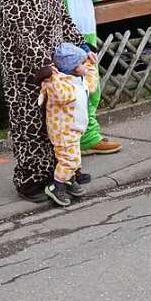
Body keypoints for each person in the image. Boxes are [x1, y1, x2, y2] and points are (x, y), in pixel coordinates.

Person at [0, 0, 93, 202]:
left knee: (57, 122)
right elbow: (20, 31)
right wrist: (43, 66)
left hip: (52, 62)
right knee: (30, 125)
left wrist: (82, 46)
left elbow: (61, 15)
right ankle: (30, 181)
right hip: (23, 69)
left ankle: (60, 173)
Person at [43, 0, 121, 156]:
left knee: (90, 84)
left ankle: (86, 135)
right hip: (69, 32)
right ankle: (80, 138)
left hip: (86, 26)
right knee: (75, 87)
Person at [40, 42, 99, 207]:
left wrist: (89, 65)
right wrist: (52, 76)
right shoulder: (62, 85)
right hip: (63, 130)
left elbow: (91, 85)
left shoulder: (78, 81)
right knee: (69, 159)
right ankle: (56, 185)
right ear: (72, 67)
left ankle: (69, 179)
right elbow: (62, 95)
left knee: (75, 157)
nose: (83, 65)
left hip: (75, 128)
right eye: (80, 63)